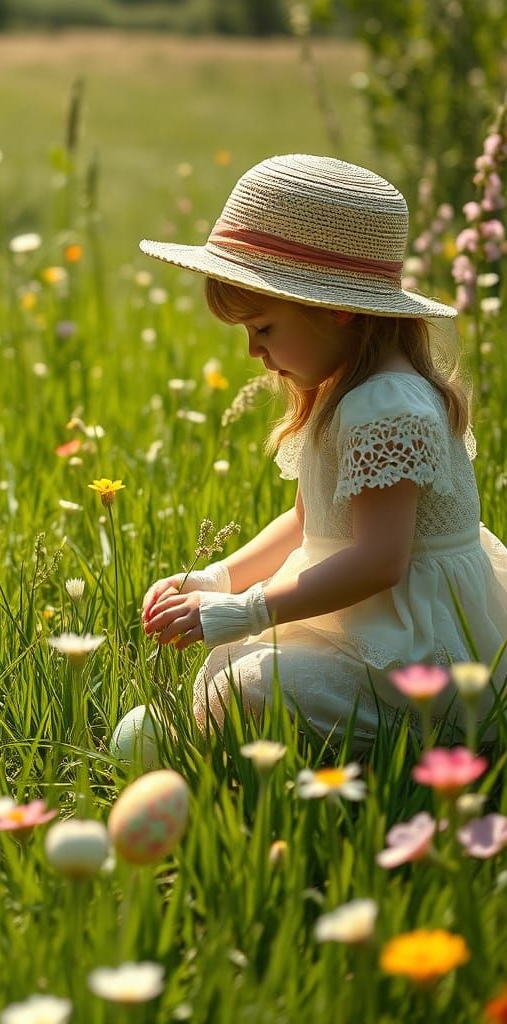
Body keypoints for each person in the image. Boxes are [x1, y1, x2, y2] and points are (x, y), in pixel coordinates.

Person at [137, 153, 507, 749]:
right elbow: (310, 518)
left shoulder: (388, 406)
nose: (254, 352)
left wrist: (246, 609)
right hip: (369, 614)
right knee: (229, 662)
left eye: (264, 328)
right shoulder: (348, 388)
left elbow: (381, 560)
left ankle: (430, 739)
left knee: (244, 690)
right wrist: (219, 580)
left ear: (334, 310)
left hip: (418, 647)